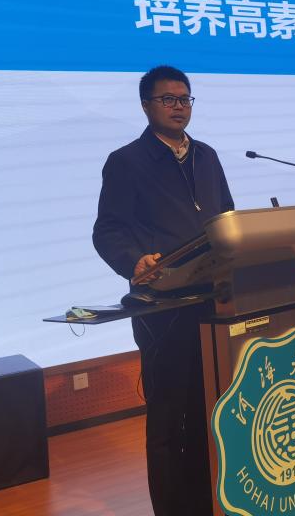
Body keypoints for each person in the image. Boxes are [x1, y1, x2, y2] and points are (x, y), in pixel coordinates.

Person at [93, 65, 234, 516]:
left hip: (212, 302)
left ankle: (206, 501)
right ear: (145, 106)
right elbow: (108, 230)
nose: (178, 107)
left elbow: (228, 219)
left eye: (184, 98)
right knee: (169, 418)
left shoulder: (207, 156)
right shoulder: (127, 161)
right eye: (168, 99)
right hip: (163, 310)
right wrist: (134, 261)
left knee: (211, 409)